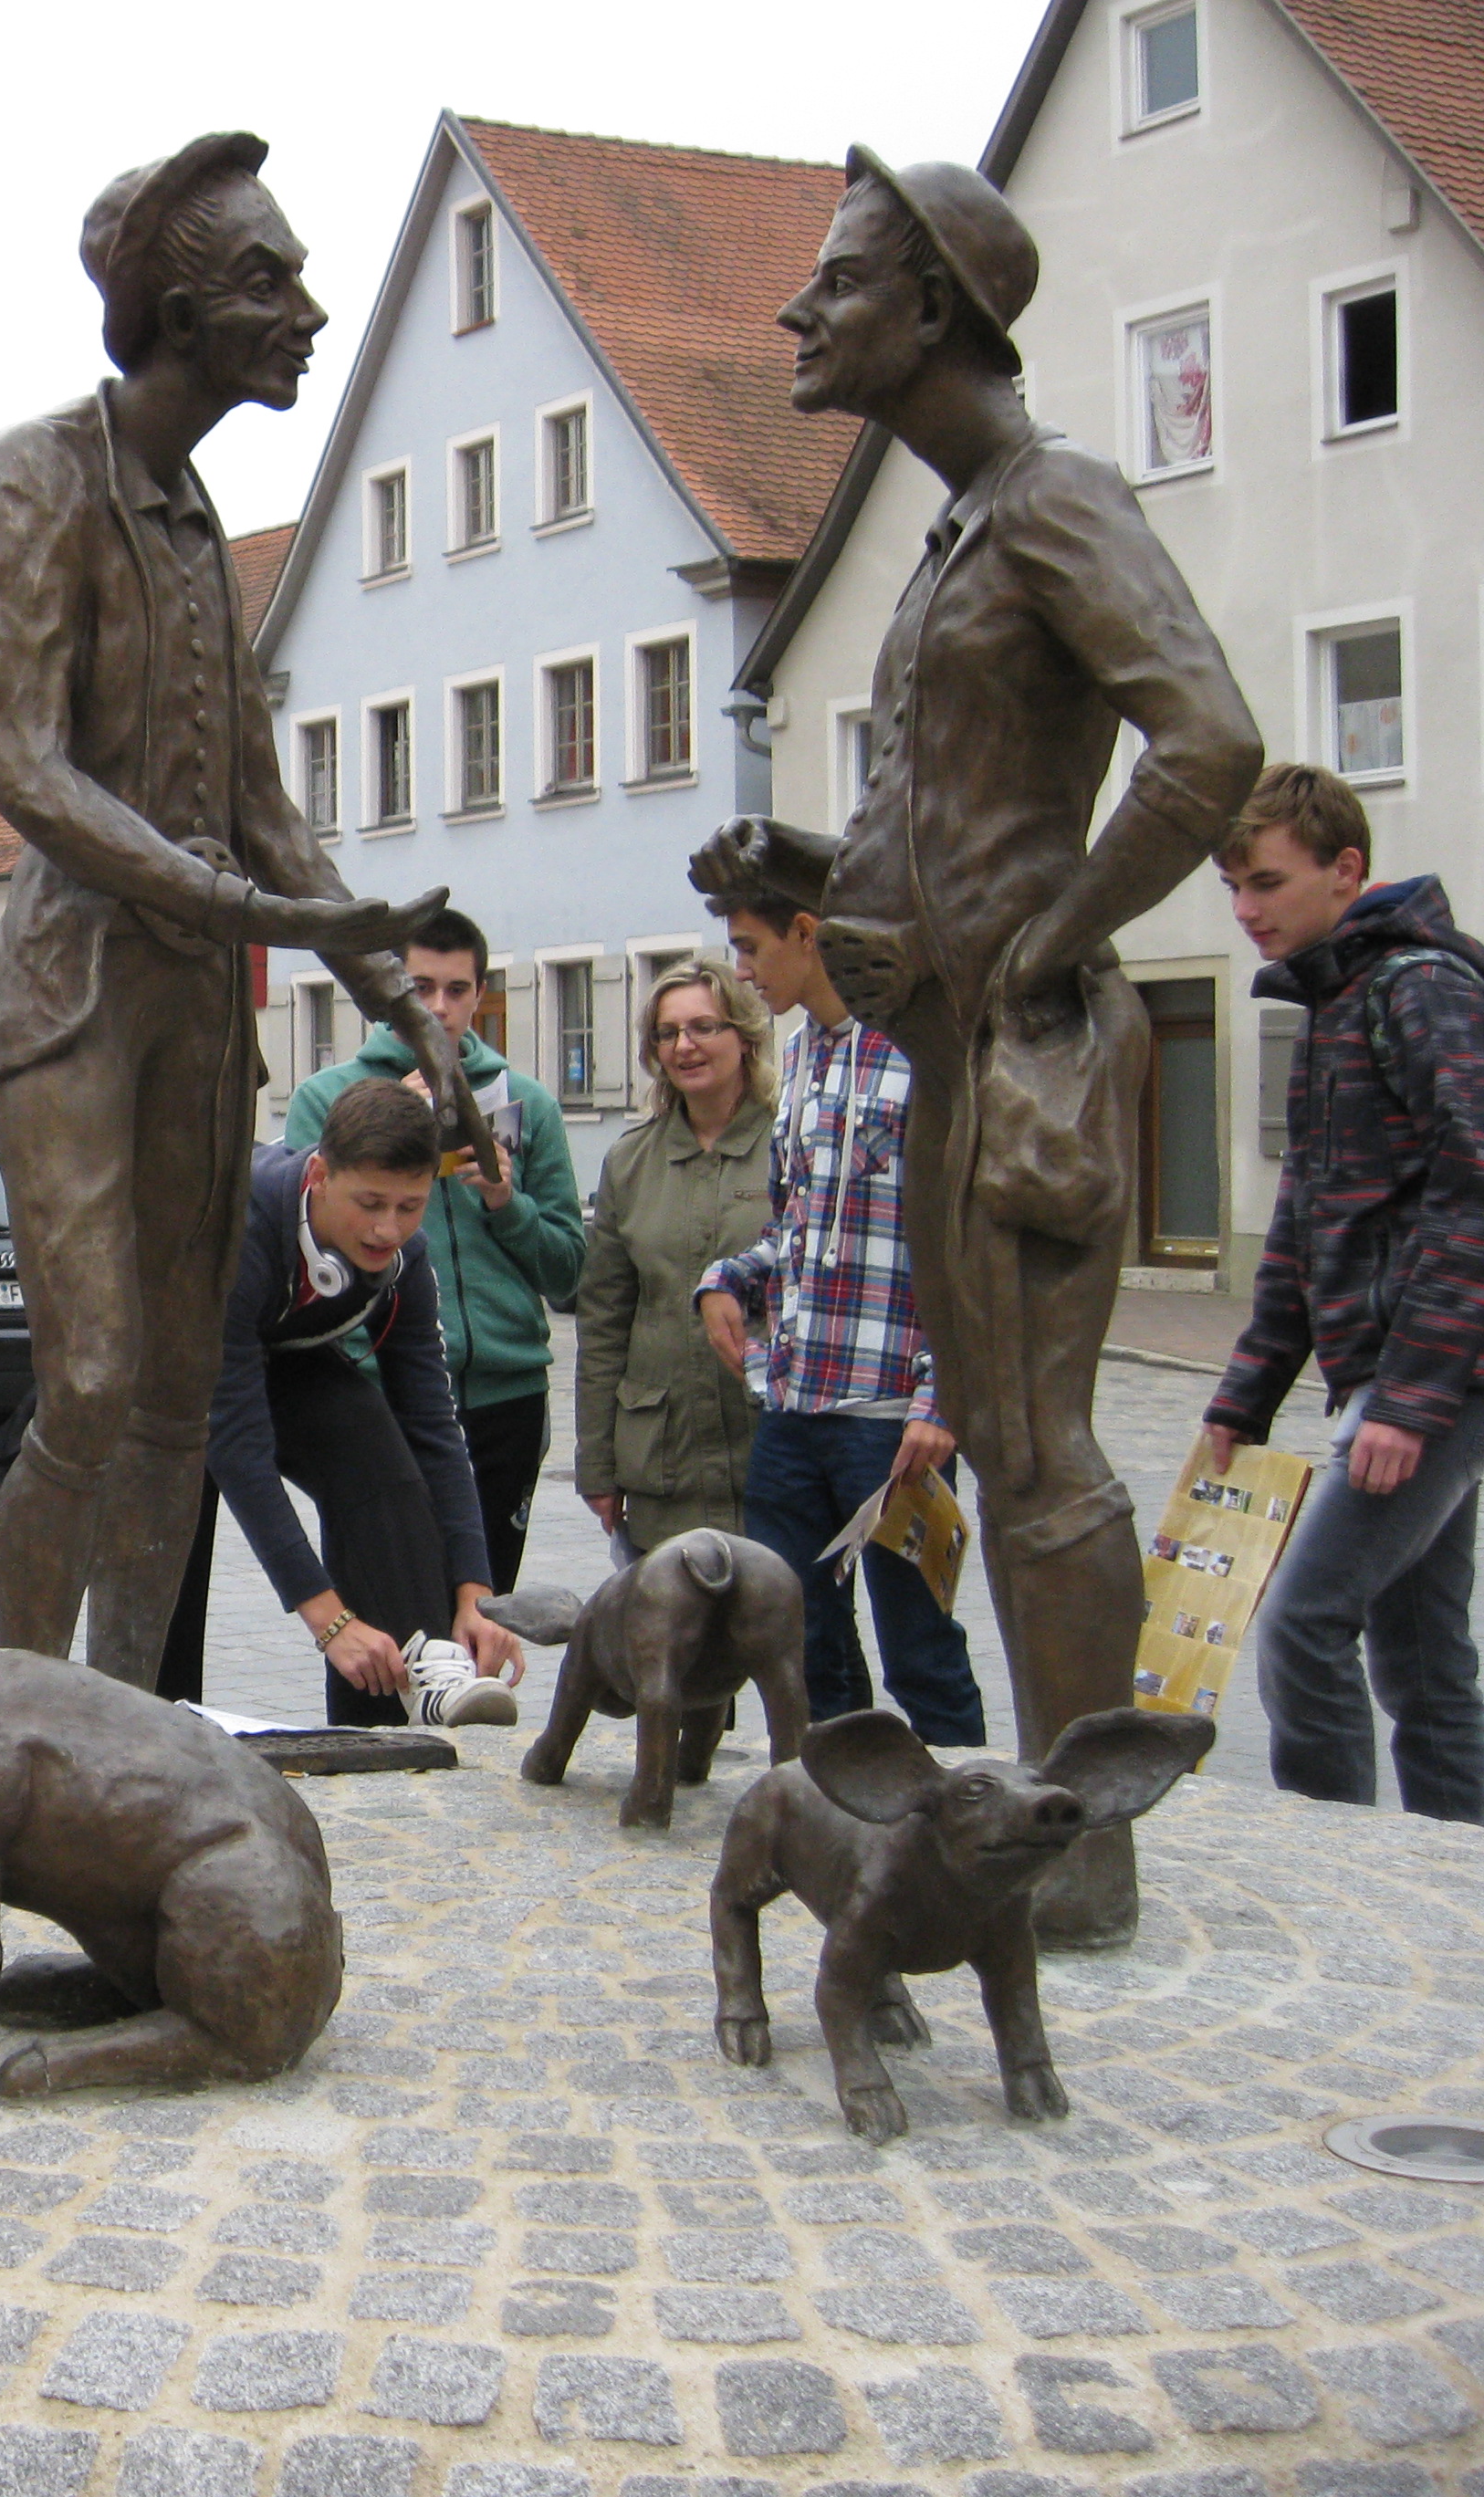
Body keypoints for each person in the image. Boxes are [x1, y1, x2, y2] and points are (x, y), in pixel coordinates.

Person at [691, 152, 1259, 1944]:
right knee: (1017, 1450)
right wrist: (812, 873)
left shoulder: (1053, 497)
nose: (799, 311)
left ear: (933, 306)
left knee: (1032, 1450)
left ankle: (1081, 1849)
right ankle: (1056, 1829)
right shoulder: (958, 528)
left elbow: (1207, 743)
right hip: (953, 1049)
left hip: (1022, 1059)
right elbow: (959, 823)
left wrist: (1049, 941)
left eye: (839, 280)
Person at [0, 131, 471, 1691]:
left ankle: (119, 1723)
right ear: (180, 314)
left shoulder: (197, 528)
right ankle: (21, 1711)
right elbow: (23, 764)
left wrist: (396, 999)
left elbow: (262, 807)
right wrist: (216, 893)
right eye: (272, 281)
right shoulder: (36, 476)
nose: (308, 313)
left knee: (180, 1397)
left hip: (194, 999)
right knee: (91, 1379)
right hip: (74, 997)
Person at [1206, 764, 1484, 1824]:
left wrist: (1410, 1399)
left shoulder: (1420, 989)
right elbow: (1303, 1222)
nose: (1246, 910)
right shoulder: (1332, 1001)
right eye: (1234, 888)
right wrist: (1246, 1394)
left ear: (1346, 869)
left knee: (1302, 1623)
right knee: (1421, 1657)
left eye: (1268, 883)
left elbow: (1475, 1186)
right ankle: (1457, 1874)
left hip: (1439, 1376)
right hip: (1404, 1372)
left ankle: (1332, 1862)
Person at [695, 877, 984, 1745]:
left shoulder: (926, 1049)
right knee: (799, 1639)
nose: (744, 972)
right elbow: (799, 1228)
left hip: (892, 1419)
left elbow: (969, 1237)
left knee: (920, 1651)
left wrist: (943, 1396)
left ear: (807, 932)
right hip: (794, 1405)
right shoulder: (800, 1057)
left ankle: (970, 1805)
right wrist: (727, 1279)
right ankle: (837, 1797)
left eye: (751, 948)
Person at [192, 1078, 524, 1726]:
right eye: (369, 1203)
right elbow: (236, 1444)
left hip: (283, 1349)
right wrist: (329, 1620)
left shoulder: (405, 1260)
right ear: (320, 1175)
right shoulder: (241, 1227)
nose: (387, 1228)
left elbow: (434, 1427)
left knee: (372, 1446)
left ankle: (413, 1684)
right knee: (171, 1513)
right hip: (155, 1361)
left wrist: (474, 1596)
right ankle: (159, 1718)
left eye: (410, 1206)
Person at [283, 908, 581, 1590]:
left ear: (480, 994)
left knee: (485, 1602)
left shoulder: (526, 1102)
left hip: (505, 1391)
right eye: (420, 988)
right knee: (386, 1605)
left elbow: (569, 1270)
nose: (438, 1008)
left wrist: (507, 1203)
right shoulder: (327, 1101)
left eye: (456, 989)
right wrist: (387, 1127)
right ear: (388, 991)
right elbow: (306, 1263)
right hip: (381, 1395)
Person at [578, 960, 776, 1552]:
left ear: (745, 1037)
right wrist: (597, 1464)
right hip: (665, 1460)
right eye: (668, 1033)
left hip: (770, 1450)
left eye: (703, 1027)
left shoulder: (790, 1143)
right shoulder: (630, 1162)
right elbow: (604, 1321)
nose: (684, 1046)